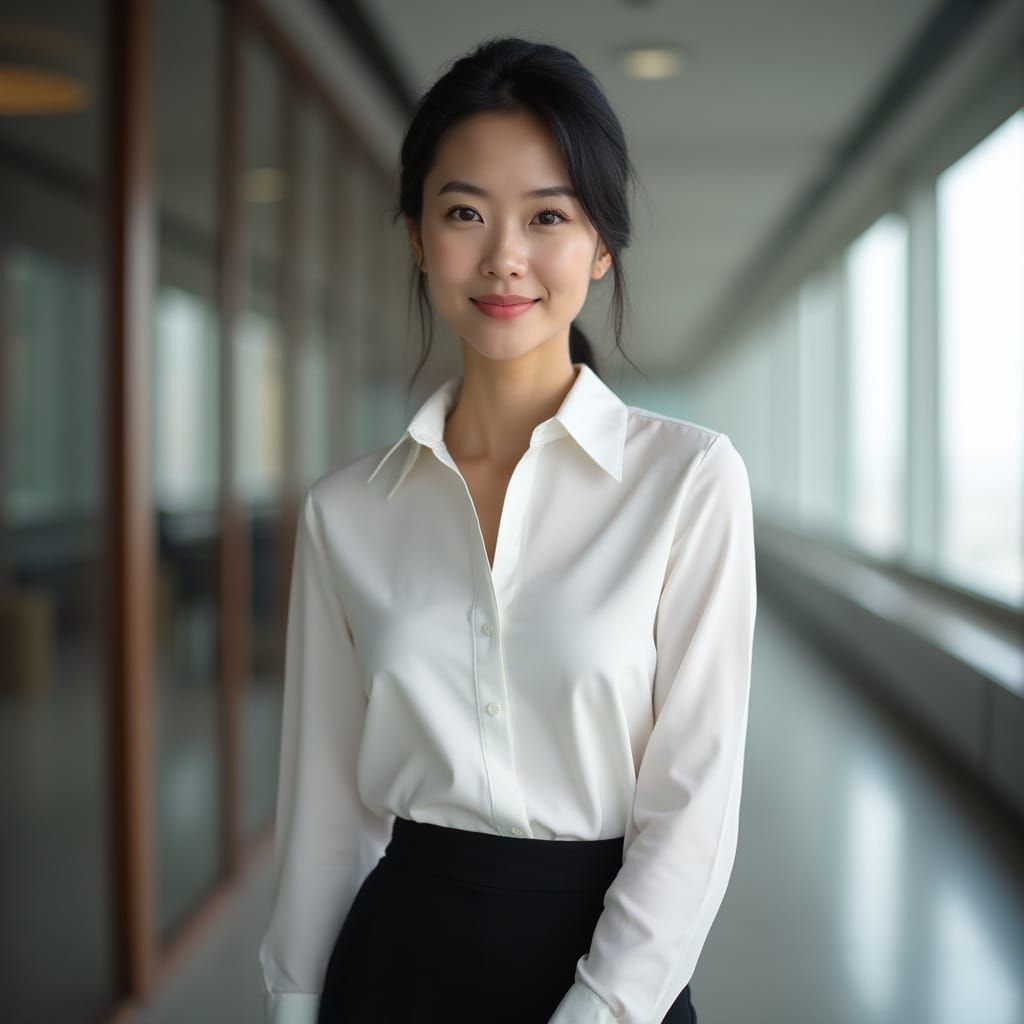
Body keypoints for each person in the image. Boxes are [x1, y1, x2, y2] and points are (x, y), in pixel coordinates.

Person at [257, 36, 757, 1024]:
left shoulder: (688, 482)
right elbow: (323, 817)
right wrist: (295, 1007)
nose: (503, 258)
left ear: (601, 246)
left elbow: (691, 813)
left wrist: (598, 1011)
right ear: (415, 234)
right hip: (396, 968)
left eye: (548, 216)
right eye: (463, 213)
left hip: (614, 978)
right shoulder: (346, 513)